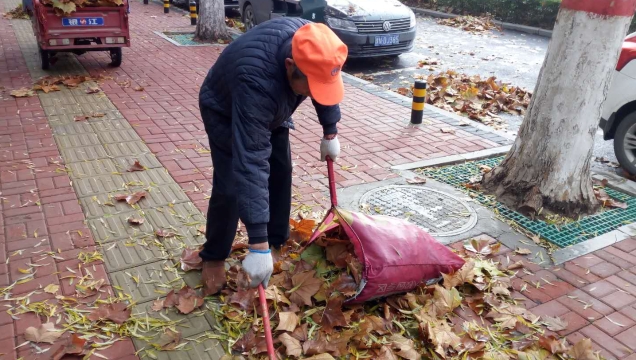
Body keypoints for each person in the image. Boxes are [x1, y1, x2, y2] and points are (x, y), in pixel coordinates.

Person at [198, 18, 348, 296]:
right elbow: (252, 161)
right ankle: (214, 255)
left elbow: (325, 82)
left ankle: (276, 241)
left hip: (275, 105)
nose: (315, 93)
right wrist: (256, 244)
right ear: (290, 66)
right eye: (310, 86)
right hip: (224, 108)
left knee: (281, 170)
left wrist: (330, 131)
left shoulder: (315, 43)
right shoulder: (255, 79)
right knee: (230, 185)